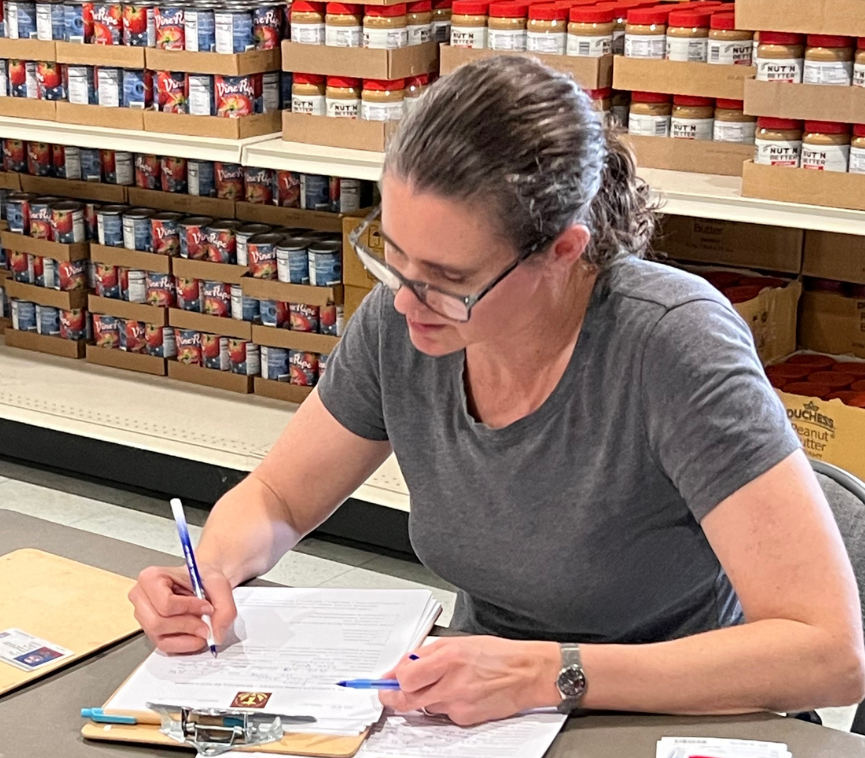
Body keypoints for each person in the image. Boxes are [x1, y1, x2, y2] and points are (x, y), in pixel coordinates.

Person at [129, 57, 865, 726]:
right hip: (477, 713)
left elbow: (828, 656)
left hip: (679, 714)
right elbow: (279, 498)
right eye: (391, 255)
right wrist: (214, 574)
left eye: (449, 280)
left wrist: (553, 672)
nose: (406, 299)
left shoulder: (672, 345)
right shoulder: (402, 320)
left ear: (563, 251)